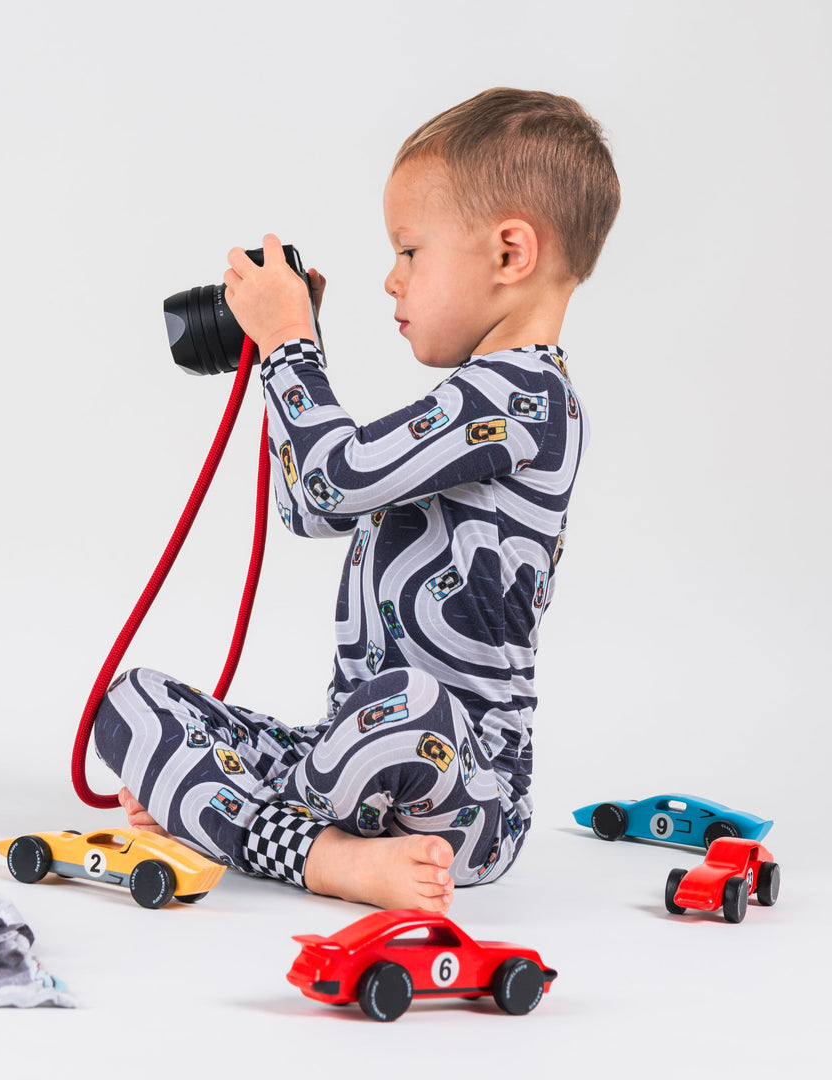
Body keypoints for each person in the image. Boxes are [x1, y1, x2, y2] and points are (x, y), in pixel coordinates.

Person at [94, 87, 620, 913]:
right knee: (127, 706)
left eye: (410, 251)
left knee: (402, 704)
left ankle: (275, 836)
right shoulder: (470, 399)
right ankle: (280, 826)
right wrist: (287, 356)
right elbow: (315, 506)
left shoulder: (520, 401)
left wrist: (291, 346)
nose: (391, 278)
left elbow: (336, 479)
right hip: (350, 759)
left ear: (510, 253)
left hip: (465, 784)